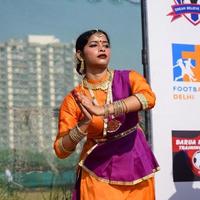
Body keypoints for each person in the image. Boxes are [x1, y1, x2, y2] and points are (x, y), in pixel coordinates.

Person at [54, 29, 159, 200]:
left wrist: (105, 110)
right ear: (80, 54)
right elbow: (60, 150)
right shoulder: (74, 99)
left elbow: (149, 99)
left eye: (106, 45)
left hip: (136, 162)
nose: (102, 49)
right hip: (96, 169)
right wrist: (83, 126)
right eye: (94, 45)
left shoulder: (129, 78)